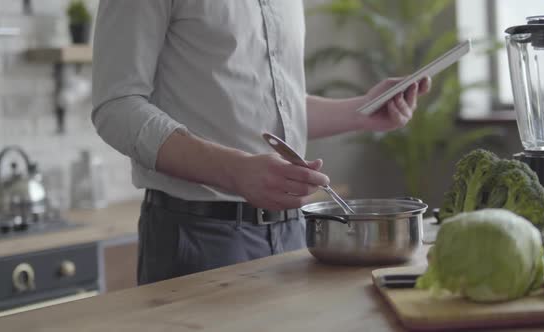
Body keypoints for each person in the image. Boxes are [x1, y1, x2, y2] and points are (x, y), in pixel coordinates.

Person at [92, 1, 431, 285]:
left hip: (294, 232)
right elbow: (116, 106)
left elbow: (270, 110)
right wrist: (235, 171)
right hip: (198, 234)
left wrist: (363, 112)